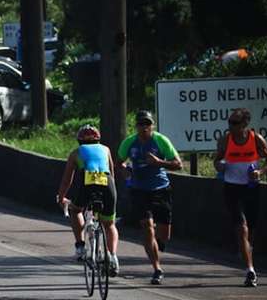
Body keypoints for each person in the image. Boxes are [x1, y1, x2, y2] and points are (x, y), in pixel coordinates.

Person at [117, 110, 182, 285]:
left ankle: (159, 241)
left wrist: (159, 162)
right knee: (147, 227)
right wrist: (125, 170)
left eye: (147, 124)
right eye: (141, 124)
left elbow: (178, 164)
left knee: (164, 234)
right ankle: (157, 269)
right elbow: (119, 162)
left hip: (160, 188)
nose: (144, 127)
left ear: (152, 125)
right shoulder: (129, 143)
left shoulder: (160, 141)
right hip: (139, 189)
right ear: (136, 126)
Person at [213, 108, 267, 287]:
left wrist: (260, 171)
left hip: (251, 188)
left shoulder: (256, 139)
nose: (230, 126)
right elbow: (216, 161)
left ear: (244, 124)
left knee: (251, 230)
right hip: (231, 188)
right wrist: (220, 166)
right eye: (229, 122)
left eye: (234, 123)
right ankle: (250, 270)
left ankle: (247, 250)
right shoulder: (225, 140)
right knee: (242, 228)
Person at [57, 125, 120, 276]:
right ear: (98, 139)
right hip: (107, 183)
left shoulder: (75, 153)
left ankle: (80, 246)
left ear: (79, 141)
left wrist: (61, 197)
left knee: (75, 209)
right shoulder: (106, 149)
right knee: (109, 223)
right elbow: (112, 173)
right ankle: (112, 256)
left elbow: (67, 180)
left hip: (88, 183)